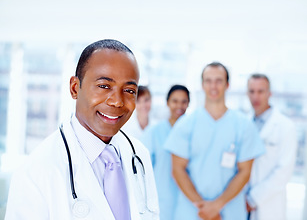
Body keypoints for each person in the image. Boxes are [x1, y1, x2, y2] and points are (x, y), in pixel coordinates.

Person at [5, 39, 159, 220]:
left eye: (129, 90)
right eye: (104, 86)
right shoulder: (35, 173)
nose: (117, 101)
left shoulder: (139, 155)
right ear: (74, 88)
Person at [164, 62, 265, 220]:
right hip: (192, 212)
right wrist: (204, 209)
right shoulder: (185, 124)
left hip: (229, 212)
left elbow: (245, 171)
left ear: (227, 85)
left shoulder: (243, 125)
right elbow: (177, 170)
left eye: (219, 81)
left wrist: (216, 206)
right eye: (208, 81)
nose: (213, 86)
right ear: (202, 85)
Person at [246, 73, 297, 220]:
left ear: (269, 93)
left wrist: (253, 199)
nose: (256, 97)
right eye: (252, 91)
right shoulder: (244, 124)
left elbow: (284, 171)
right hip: (242, 203)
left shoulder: (285, 126)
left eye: (260, 91)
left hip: (268, 206)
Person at [142, 84, 190, 220]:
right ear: (168, 102)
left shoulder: (193, 132)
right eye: (175, 101)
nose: (179, 106)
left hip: (188, 199)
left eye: (184, 101)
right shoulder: (154, 132)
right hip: (162, 199)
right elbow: (143, 170)